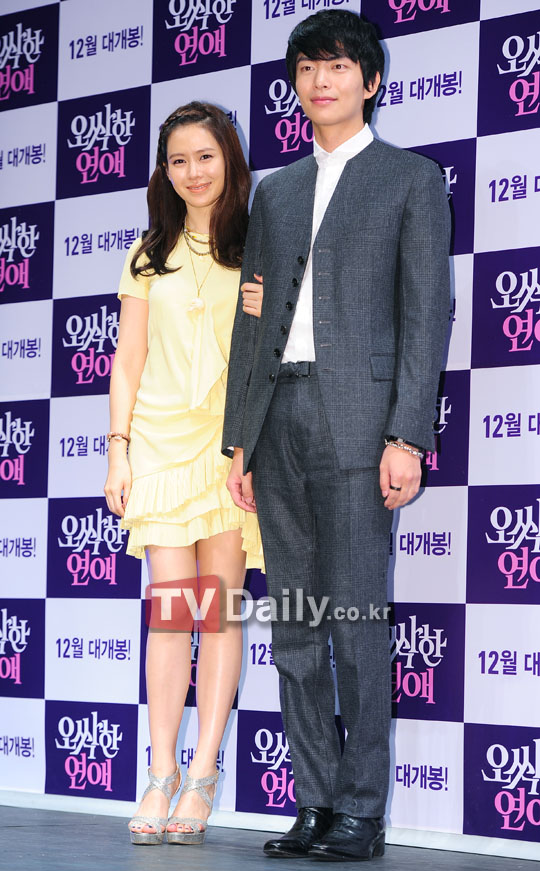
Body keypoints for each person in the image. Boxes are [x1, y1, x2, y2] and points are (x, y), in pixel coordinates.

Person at [223, 10, 451, 863]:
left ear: (371, 81)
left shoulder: (410, 179)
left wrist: (408, 436)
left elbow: (427, 315)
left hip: (359, 423)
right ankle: (314, 802)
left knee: (354, 624)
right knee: (295, 627)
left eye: (338, 66)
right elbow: (252, 322)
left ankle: (361, 810)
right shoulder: (276, 191)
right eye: (308, 68)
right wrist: (240, 439)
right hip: (277, 420)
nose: (321, 81)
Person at [104, 101, 264, 847]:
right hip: (161, 445)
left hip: (231, 447)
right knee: (171, 610)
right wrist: (118, 449)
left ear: (228, 159)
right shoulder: (148, 254)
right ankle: (160, 769)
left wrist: (252, 447)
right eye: (178, 160)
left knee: (219, 610)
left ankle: (202, 774)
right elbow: (127, 360)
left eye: (205, 156)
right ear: (164, 172)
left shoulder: (261, 242)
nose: (193, 172)